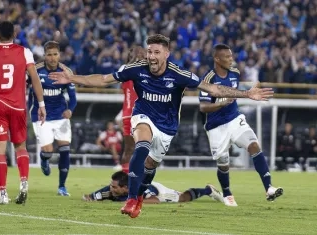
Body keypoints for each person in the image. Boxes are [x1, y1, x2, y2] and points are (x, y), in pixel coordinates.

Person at [49, 34, 273, 218]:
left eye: (156, 52)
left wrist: (246, 94)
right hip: (143, 116)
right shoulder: (136, 68)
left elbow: (213, 89)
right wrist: (73, 78)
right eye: (149, 52)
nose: (152, 56)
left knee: (150, 166)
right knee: (142, 144)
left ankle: (137, 198)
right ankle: (130, 200)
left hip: (167, 128)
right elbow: (103, 79)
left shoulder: (178, 74)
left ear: (166, 54)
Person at [0, 21, 46, 205]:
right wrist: (41, 104)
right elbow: (35, 79)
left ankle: (2, 193)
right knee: (21, 147)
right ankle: (24, 182)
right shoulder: (24, 52)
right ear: (14, 33)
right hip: (18, 106)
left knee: (0, 150)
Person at [199, 44, 283, 207]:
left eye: (231, 56)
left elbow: (235, 94)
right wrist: (222, 103)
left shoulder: (235, 73)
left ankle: (269, 188)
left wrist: (248, 92)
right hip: (216, 126)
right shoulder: (208, 78)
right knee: (223, 164)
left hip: (234, 119)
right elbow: (203, 107)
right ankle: (227, 193)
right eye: (227, 57)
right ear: (217, 59)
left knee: (253, 145)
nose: (232, 59)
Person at [27, 40, 76, 196]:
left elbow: (73, 97)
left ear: (59, 55)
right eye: (49, 55)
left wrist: (70, 110)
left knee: (65, 148)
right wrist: (27, 110)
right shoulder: (35, 70)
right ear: (44, 56)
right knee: (48, 151)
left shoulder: (66, 72)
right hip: (41, 115)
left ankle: (62, 186)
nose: (53, 58)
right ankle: (44, 159)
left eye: (55, 54)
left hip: (60, 114)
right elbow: (27, 91)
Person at [82, 171, 224, 204]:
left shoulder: (138, 191)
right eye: (111, 186)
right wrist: (89, 197)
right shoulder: (111, 190)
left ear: (125, 188)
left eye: (114, 187)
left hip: (158, 192)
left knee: (182, 198)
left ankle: (208, 190)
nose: (110, 189)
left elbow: (155, 199)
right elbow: (91, 197)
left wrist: (134, 202)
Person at [119, 46, 146, 173]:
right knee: (129, 148)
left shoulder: (148, 70)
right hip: (129, 114)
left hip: (145, 114)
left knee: (143, 150)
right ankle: (124, 180)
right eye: (137, 54)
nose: (140, 56)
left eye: (141, 54)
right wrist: (134, 60)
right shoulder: (124, 68)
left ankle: (138, 179)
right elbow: (121, 81)